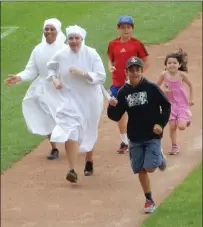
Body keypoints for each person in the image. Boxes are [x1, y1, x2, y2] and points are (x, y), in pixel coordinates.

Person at [107, 56, 171, 213]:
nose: (134, 73)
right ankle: (149, 199)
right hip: (134, 136)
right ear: (126, 72)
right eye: (131, 70)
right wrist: (111, 106)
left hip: (152, 136)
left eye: (137, 70)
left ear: (142, 71)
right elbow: (116, 116)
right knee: (140, 169)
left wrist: (160, 124)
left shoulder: (151, 87)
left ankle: (160, 158)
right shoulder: (123, 92)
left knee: (149, 168)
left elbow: (166, 105)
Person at [47, 25, 106, 183]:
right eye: (71, 38)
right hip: (70, 98)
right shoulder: (61, 54)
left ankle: (89, 159)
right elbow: (51, 68)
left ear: (82, 39)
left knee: (88, 129)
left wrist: (83, 73)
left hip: (90, 99)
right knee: (70, 130)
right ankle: (72, 169)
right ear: (67, 40)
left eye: (76, 38)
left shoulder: (91, 53)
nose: (73, 41)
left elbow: (101, 76)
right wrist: (55, 79)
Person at [5, 18, 67, 160]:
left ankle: (74, 142)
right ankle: (54, 148)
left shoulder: (64, 49)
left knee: (65, 116)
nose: (49, 32)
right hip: (44, 88)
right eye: (46, 29)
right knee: (46, 116)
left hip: (61, 87)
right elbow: (31, 70)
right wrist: (19, 77)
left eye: (52, 29)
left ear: (57, 31)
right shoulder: (38, 50)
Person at [107, 15, 149, 154]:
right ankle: (124, 141)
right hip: (117, 83)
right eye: (123, 27)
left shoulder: (137, 44)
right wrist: (110, 67)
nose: (126, 29)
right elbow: (110, 58)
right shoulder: (113, 44)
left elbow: (145, 60)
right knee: (119, 113)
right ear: (118, 29)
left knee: (137, 111)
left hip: (134, 84)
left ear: (132, 29)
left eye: (128, 27)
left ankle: (140, 138)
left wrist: (138, 76)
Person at [156, 49, 194, 155]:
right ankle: (174, 146)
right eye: (169, 63)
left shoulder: (181, 75)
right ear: (166, 64)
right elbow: (156, 86)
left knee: (181, 127)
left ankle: (186, 118)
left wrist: (191, 99)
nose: (172, 65)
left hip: (181, 103)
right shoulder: (164, 75)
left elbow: (190, 85)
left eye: (174, 63)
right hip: (170, 104)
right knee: (172, 126)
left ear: (179, 64)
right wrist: (163, 90)